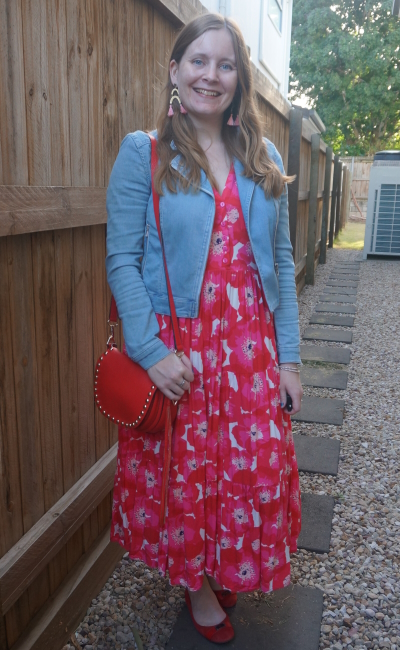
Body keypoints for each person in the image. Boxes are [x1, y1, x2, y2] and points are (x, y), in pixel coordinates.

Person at [106, 12, 302, 644]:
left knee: (249, 465)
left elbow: (278, 263)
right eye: (198, 61)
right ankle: (198, 582)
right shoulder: (146, 152)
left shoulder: (264, 155)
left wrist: (292, 361)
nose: (209, 76)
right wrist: (150, 352)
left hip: (250, 350)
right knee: (188, 473)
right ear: (175, 70)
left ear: (239, 79)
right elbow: (121, 260)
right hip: (181, 349)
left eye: (224, 64)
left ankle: (227, 558)